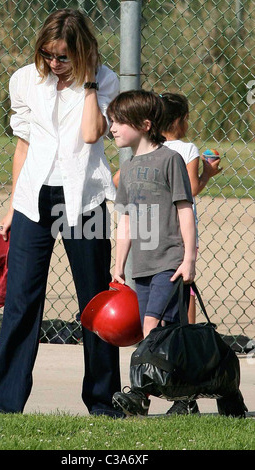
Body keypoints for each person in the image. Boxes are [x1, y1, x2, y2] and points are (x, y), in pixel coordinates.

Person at [0, 9, 124, 418]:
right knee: (22, 302)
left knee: (95, 302)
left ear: (82, 52)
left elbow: (93, 134)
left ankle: (104, 401)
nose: (55, 64)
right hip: (33, 199)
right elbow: (23, 147)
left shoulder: (106, 79)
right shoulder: (25, 78)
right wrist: (11, 206)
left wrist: (90, 81)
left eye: (63, 57)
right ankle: (0, 404)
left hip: (87, 198)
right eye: (48, 55)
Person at [107, 89, 198, 416]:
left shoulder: (170, 160)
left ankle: (140, 395)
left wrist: (189, 258)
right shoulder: (129, 168)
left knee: (151, 328)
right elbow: (127, 219)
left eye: (119, 122)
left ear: (145, 124)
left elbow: (185, 209)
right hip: (141, 268)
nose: (112, 128)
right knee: (156, 334)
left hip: (169, 264)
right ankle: (185, 397)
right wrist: (119, 265)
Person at [159, 92, 222, 324]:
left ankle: (159, 336)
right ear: (179, 121)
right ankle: (187, 334)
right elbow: (191, 189)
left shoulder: (150, 147)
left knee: (160, 281)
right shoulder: (188, 149)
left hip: (156, 227)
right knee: (187, 284)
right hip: (182, 230)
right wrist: (207, 173)